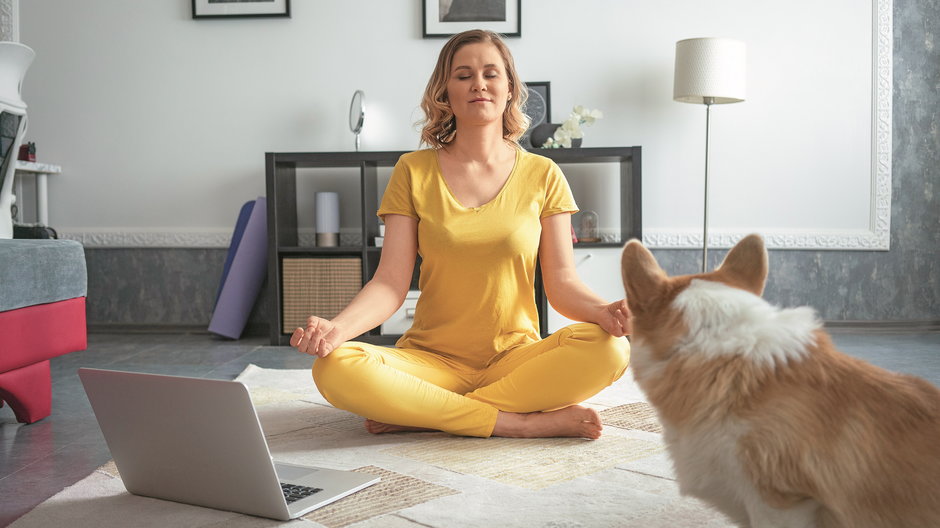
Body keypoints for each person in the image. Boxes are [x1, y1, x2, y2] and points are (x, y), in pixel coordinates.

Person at [291, 29, 630, 439]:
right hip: (430, 362)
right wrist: (337, 330)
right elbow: (389, 283)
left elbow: (562, 283)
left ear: (509, 90)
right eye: (463, 75)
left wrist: (604, 312)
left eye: (491, 73)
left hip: (515, 360)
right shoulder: (412, 170)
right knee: (335, 368)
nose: (479, 84)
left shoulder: (544, 174)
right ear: (444, 92)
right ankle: (516, 424)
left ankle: (423, 412)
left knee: (610, 348)